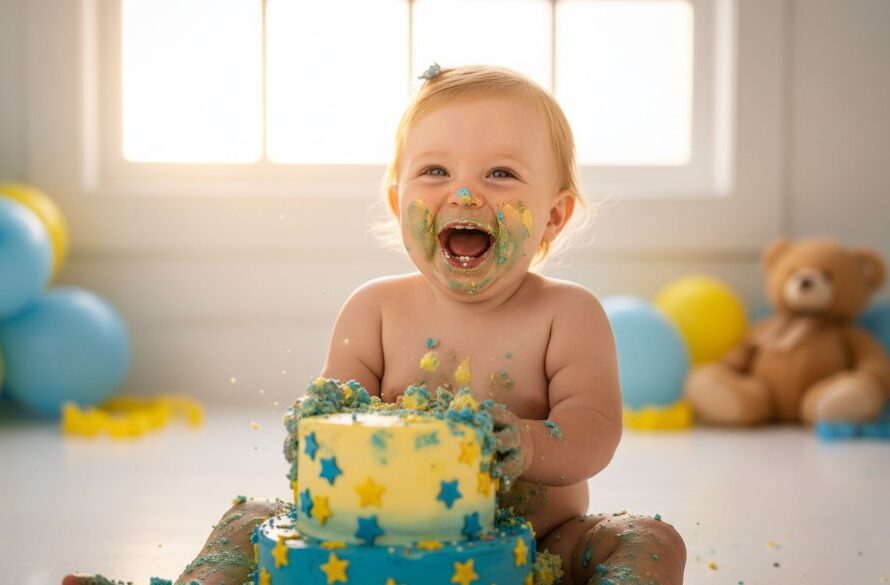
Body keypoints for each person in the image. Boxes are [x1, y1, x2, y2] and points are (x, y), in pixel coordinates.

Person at [65, 64, 686, 585]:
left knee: (650, 538)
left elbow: (594, 433)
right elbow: (326, 428)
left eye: (500, 174)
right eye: (436, 172)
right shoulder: (376, 310)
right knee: (247, 518)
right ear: (398, 203)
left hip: (533, 552)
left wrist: (524, 444)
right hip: (370, 549)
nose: (466, 194)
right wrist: (313, 431)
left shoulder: (567, 314)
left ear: (553, 217)